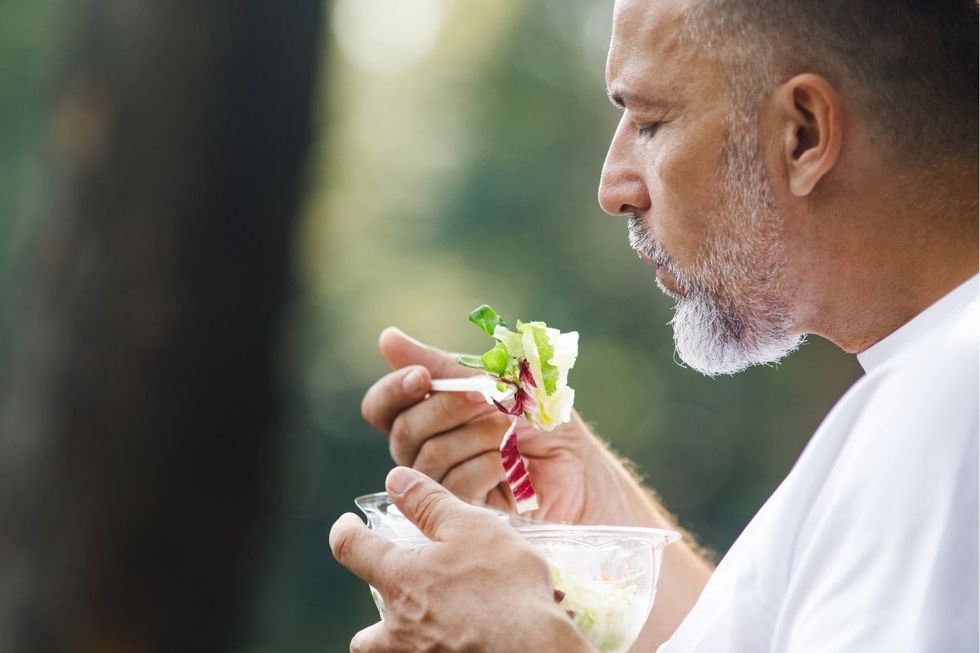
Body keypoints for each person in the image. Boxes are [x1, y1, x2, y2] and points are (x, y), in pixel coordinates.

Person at [330, 0, 980, 650]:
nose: (613, 187)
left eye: (648, 120)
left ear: (802, 134)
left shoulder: (949, 403)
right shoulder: (918, 393)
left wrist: (520, 641)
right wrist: (595, 505)